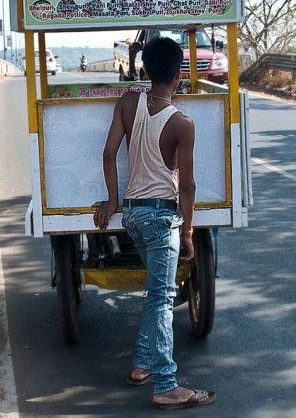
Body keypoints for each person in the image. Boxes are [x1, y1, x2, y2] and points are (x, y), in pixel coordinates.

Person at [94, 36, 216, 410]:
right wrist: (190, 232)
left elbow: (109, 153)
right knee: (163, 298)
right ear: (180, 72)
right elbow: (189, 185)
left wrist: (114, 200)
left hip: (132, 215)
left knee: (156, 291)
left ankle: (142, 365)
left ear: (145, 69)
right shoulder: (182, 123)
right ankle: (166, 384)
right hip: (162, 219)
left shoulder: (128, 102)